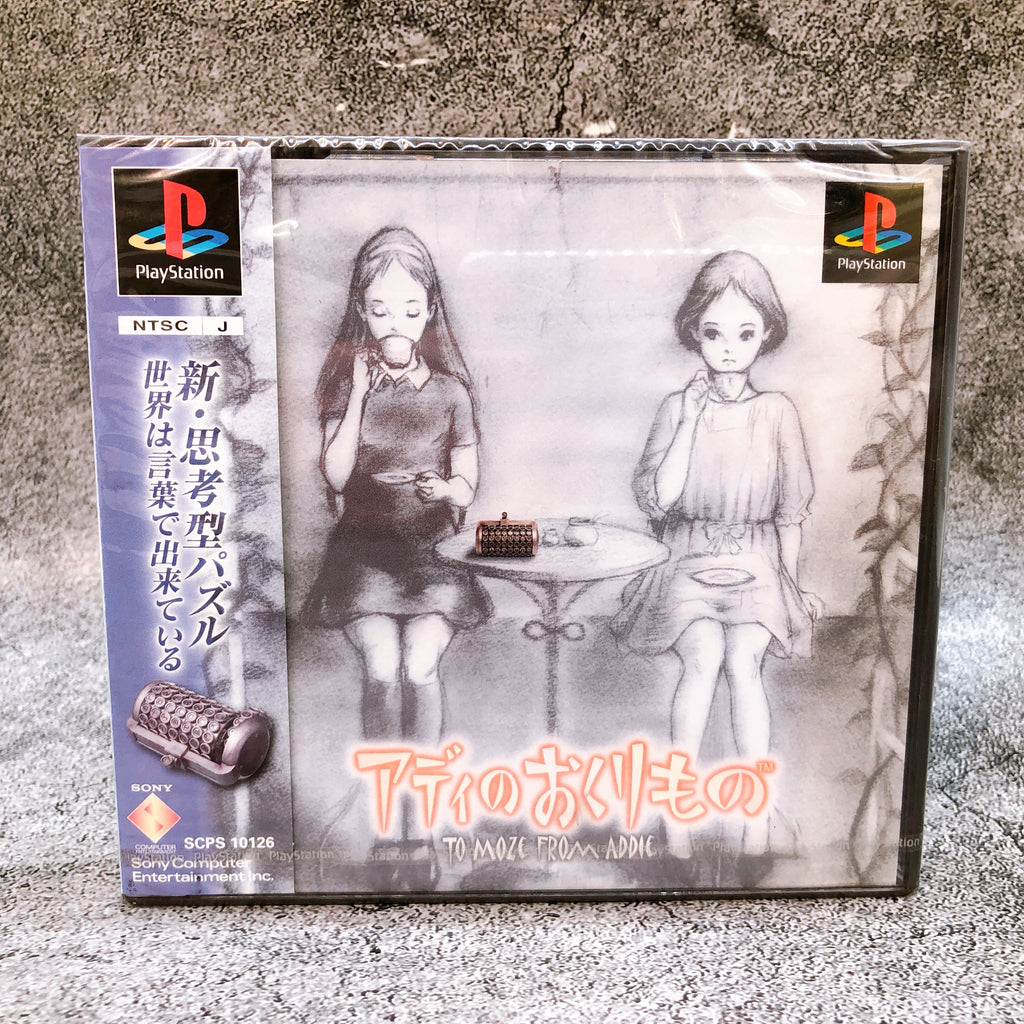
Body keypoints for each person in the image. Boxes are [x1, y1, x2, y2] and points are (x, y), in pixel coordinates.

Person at [611, 250, 822, 861]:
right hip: (685, 556)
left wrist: (791, 584)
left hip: (757, 561)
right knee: (702, 656)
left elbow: (790, 512)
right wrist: (689, 420)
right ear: (695, 333)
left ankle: (755, 818)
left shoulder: (778, 411)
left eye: (745, 333)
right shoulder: (675, 407)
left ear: (766, 335)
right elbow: (659, 500)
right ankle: (677, 816)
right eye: (714, 332)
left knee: (743, 661)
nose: (728, 347)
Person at [306, 226, 491, 764]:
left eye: (410, 311)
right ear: (362, 311)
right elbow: (336, 477)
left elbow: (466, 485)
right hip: (363, 556)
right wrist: (359, 395)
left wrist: (445, 488)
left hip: (435, 556)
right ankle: (386, 785)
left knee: (420, 665)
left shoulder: (452, 392)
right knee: (383, 666)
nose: (395, 324)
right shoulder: (347, 386)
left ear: (429, 310)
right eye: (380, 310)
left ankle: (423, 782)